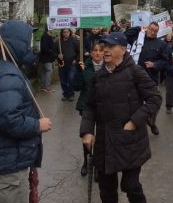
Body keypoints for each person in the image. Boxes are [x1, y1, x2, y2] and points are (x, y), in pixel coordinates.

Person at [0, 20, 52, 202]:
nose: (29, 47)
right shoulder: (6, 76)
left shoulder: (7, 68)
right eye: (27, 42)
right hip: (6, 169)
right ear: (16, 43)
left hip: (7, 162)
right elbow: (8, 119)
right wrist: (37, 125)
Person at [80, 32, 162, 203]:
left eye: (111, 46)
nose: (105, 50)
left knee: (131, 186)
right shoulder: (98, 76)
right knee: (107, 190)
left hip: (130, 140)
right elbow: (89, 106)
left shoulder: (135, 72)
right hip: (105, 141)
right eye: (104, 46)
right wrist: (87, 131)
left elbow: (155, 99)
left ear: (123, 50)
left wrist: (134, 121)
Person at [73, 42, 104, 176]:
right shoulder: (84, 66)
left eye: (100, 50)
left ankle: (97, 163)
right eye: (95, 50)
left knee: (101, 136)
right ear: (91, 53)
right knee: (87, 135)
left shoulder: (109, 67)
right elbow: (76, 87)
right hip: (87, 106)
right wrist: (79, 72)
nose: (98, 53)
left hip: (103, 106)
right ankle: (86, 161)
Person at [137, 21, 168, 135]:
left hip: (152, 78)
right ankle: (138, 125)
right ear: (147, 28)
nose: (153, 32)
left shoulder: (161, 44)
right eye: (151, 29)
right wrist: (138, 29)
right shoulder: (139, 40)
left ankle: (152, 121)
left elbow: (165, 61)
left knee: (156, 101)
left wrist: (154, 64)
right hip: (137, 77)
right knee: (137, 102)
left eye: (155, 31)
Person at [57, 28, 80, 101]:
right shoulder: (58, 41)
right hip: (62, 63)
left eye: (67, 32)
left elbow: (79, 52)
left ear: (70, 32)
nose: (66, 33)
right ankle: (65, 93)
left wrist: (76, 59)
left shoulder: (74, 41)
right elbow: (53, 51)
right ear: (62, 33)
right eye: (64, 32)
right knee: (63, 80)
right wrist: (57, 55)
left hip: (72, 63)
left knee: (71, 78)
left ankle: (71, 94)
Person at [38, 26, 57, 92]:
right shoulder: (47, 36)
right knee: (49, 71)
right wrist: (52, 52)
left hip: (44, 58)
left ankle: (43, 86)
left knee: (44, 71)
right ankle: (47, 87)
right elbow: (45, 48)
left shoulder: (44, 36)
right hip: (47, 58)